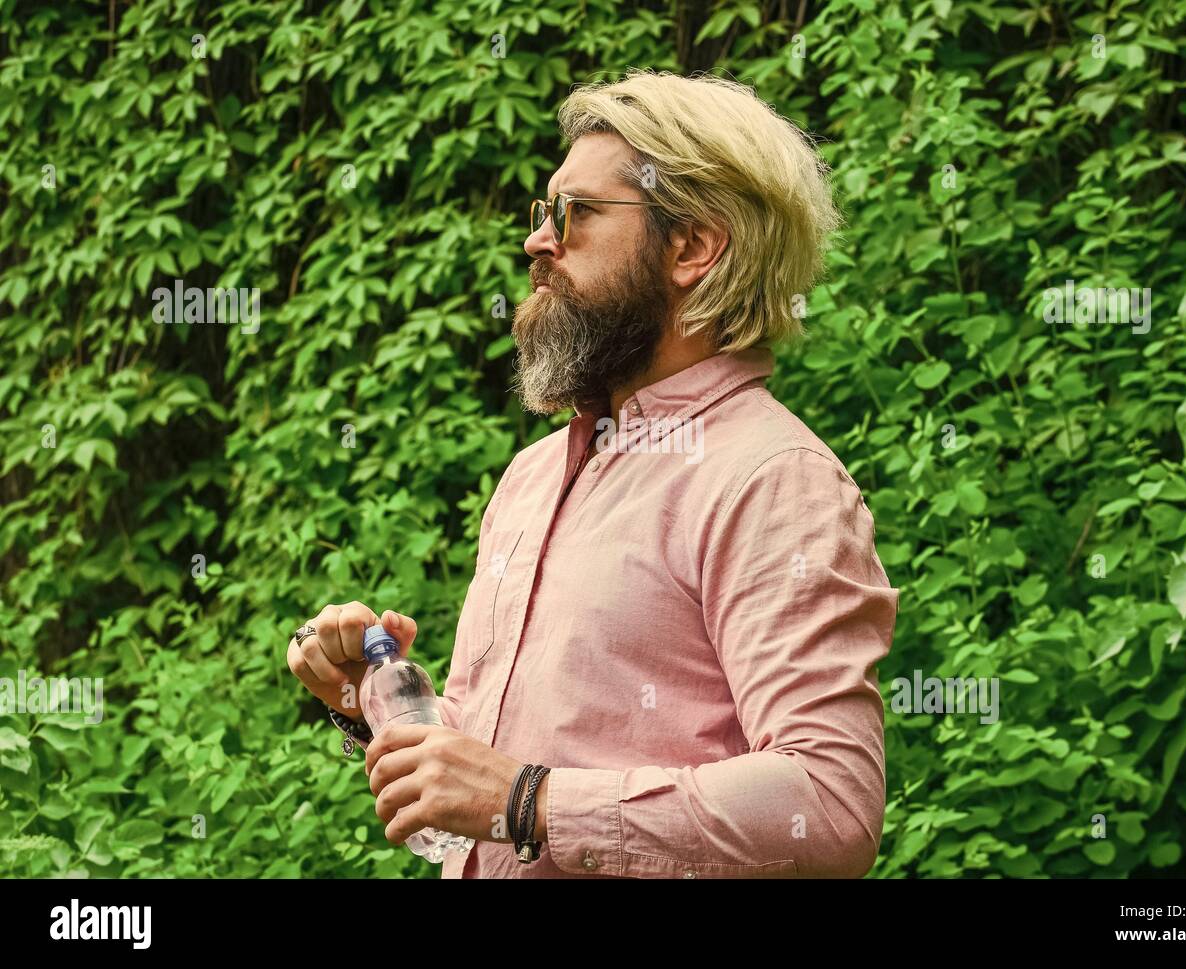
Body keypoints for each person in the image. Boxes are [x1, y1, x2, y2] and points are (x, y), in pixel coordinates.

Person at [286, 68, 898, 878]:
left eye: (574, 215)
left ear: (692, 247)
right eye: (545, 212)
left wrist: (530, 800)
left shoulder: (773, 480)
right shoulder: (532, 478)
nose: (538, 240)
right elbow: (502, 765)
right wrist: (378, 699)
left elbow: (826, 805)